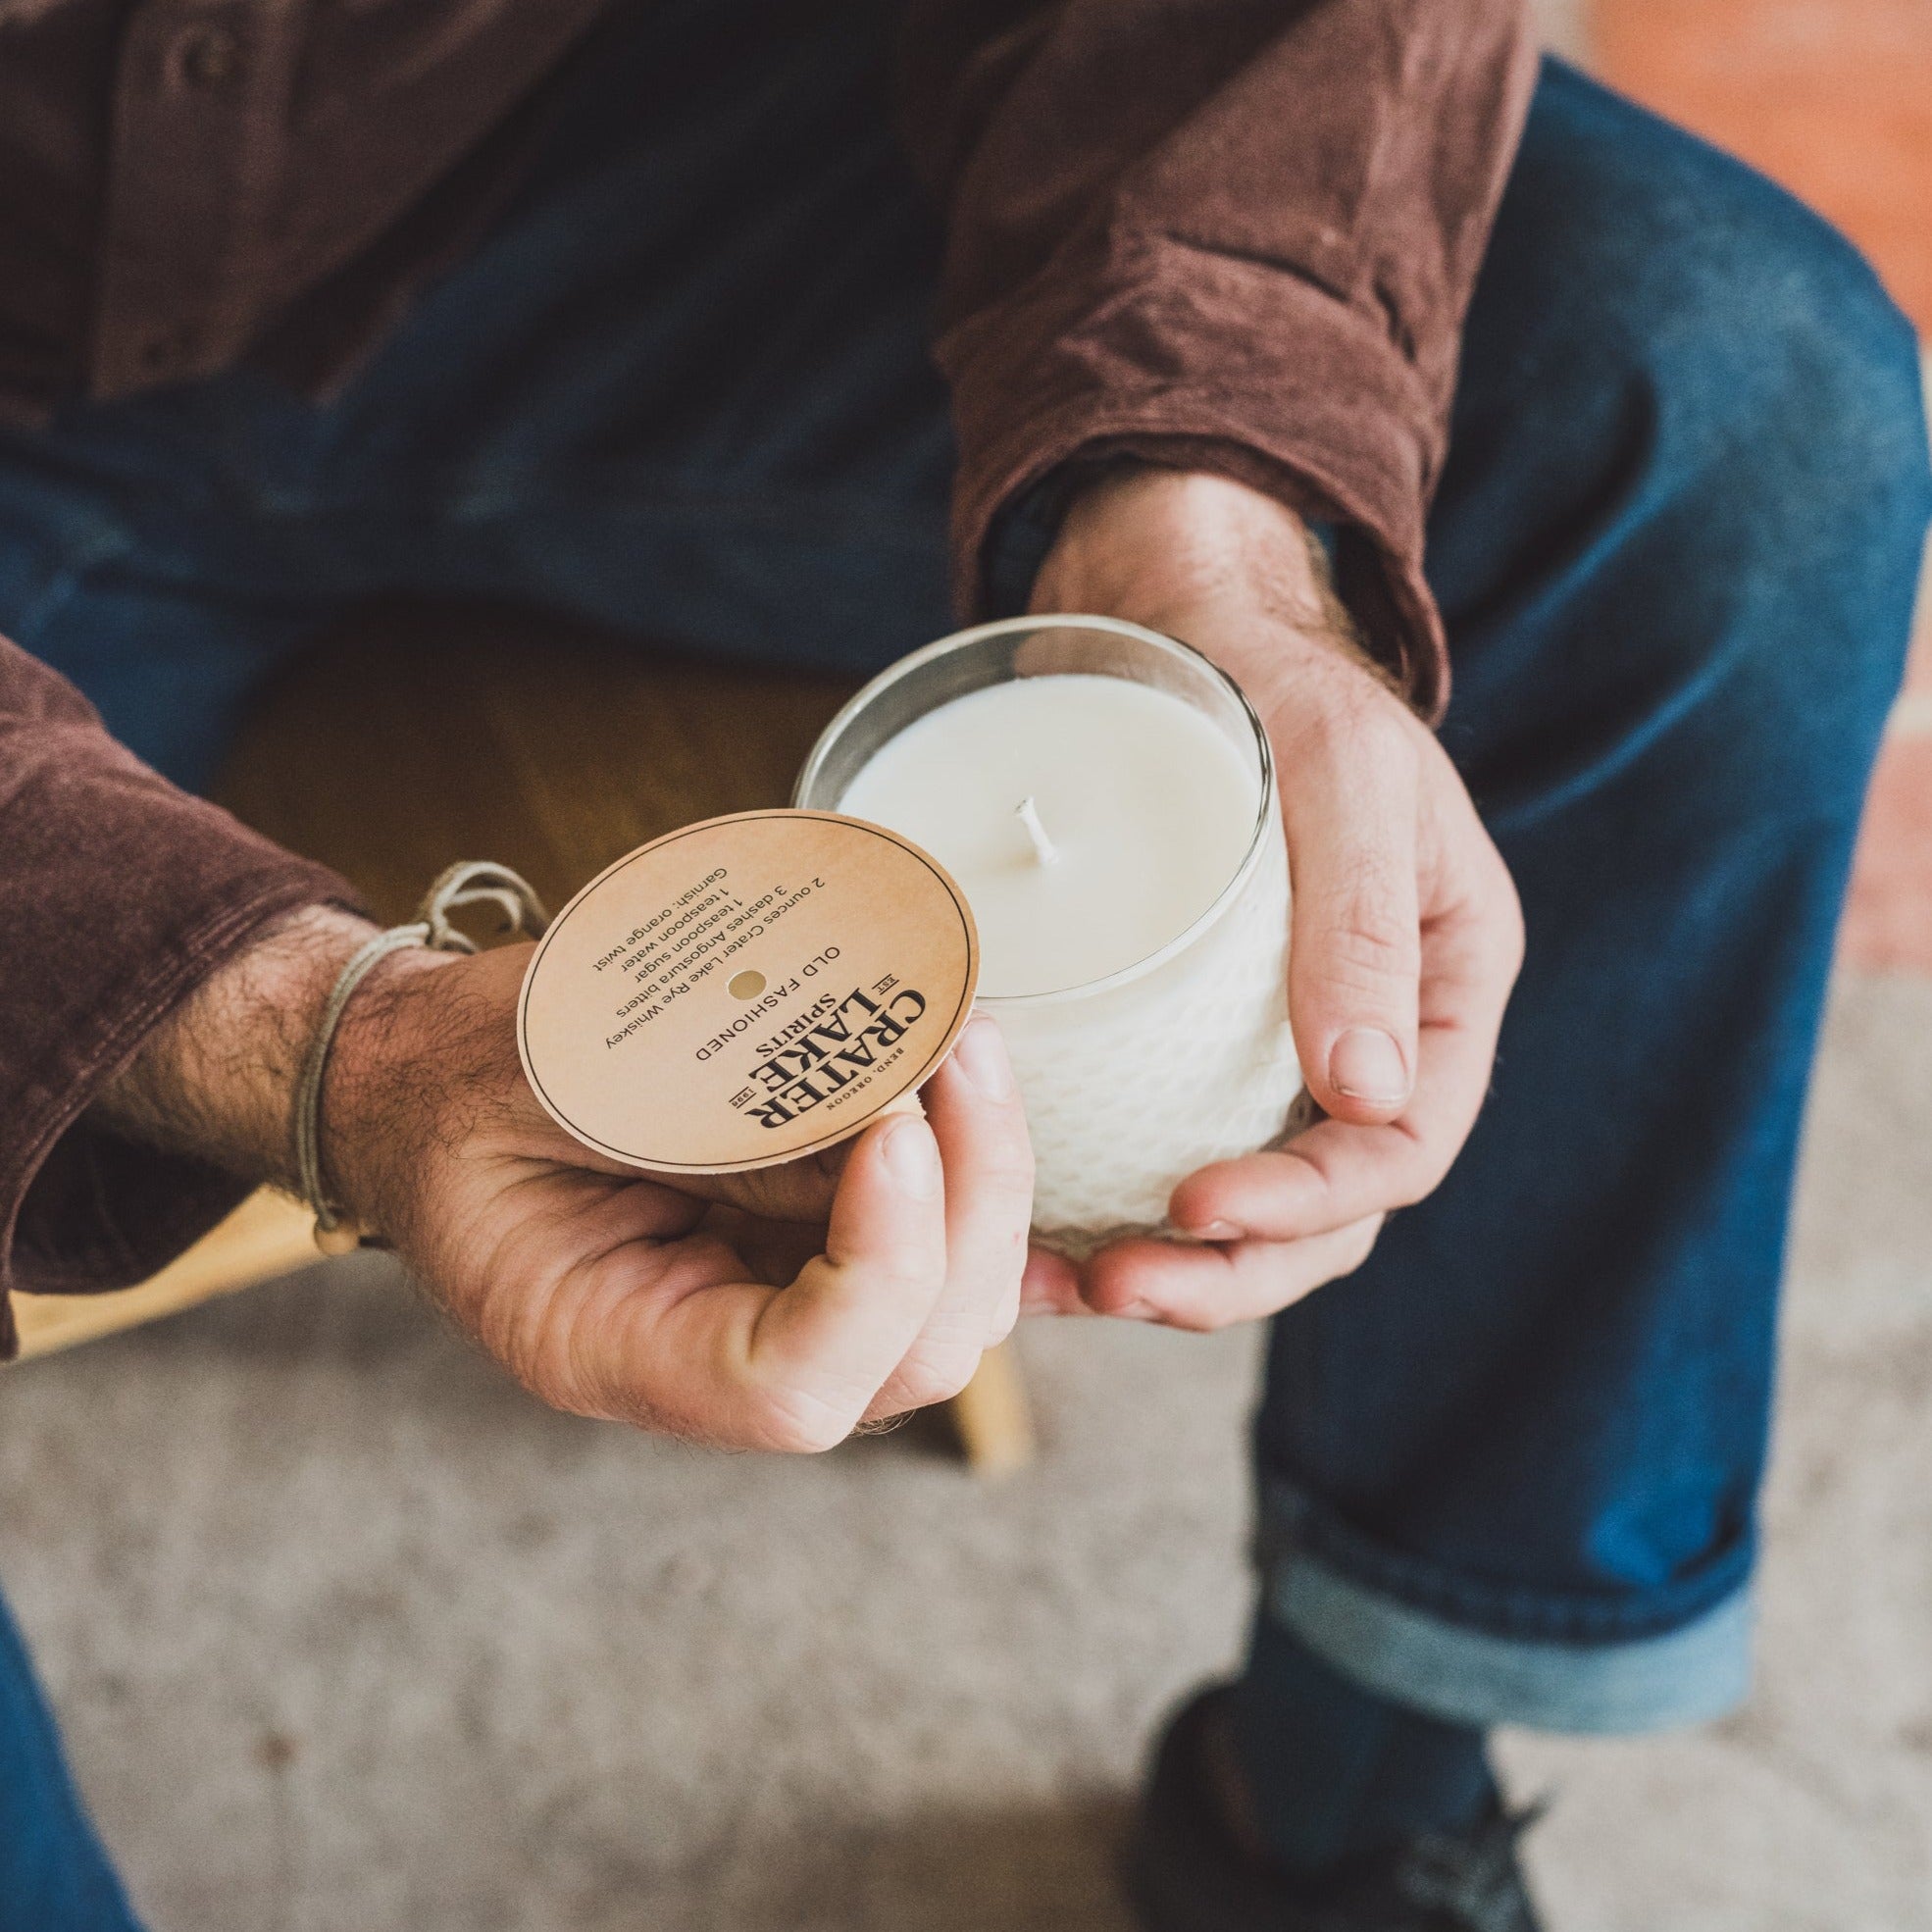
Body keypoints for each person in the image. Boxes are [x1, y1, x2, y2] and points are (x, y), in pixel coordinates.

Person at [0, 3, 1926, 1927]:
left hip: (580, 157)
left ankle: (1348, 1781)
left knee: (1724, 400)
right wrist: (312, 1037)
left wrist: (1203, 507)